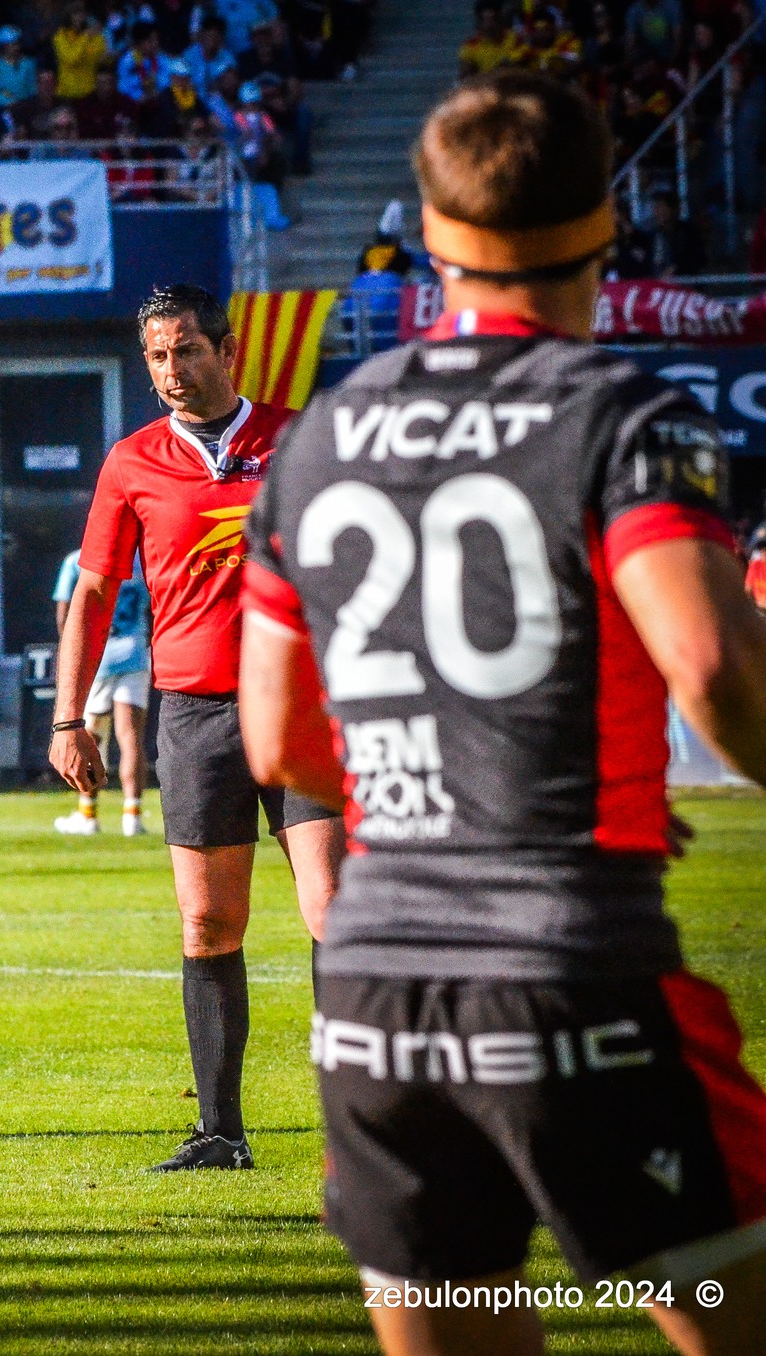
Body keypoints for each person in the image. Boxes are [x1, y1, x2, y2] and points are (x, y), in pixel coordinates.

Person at [237, 71, 766, 1356]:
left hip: (372, 999)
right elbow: (713, 672)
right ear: (605, 225)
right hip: (570, 976)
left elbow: (280, 744)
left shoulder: (315, 441)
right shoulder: (621, 416)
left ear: (426, 238)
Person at [48, 282, 344, 1173]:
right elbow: (94, 593)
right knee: (209, 924)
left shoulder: (301, 438)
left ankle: (367, 1124)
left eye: (187, 350)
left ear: (228, 350)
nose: (171, 370)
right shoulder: (131, 461)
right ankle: (221, 1132)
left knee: (338, 914)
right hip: (196, 713)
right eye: (157, 357)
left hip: (304, 704)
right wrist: (69, 715)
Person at [52, 547, 150, 837]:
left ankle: (88, 814)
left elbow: (65, 616)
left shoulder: (76, 560)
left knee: (90, 735)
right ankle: (132, 815)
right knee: (131, 737)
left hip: (98, 656)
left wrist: (72, 661)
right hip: (134, 652)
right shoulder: (141, 562)